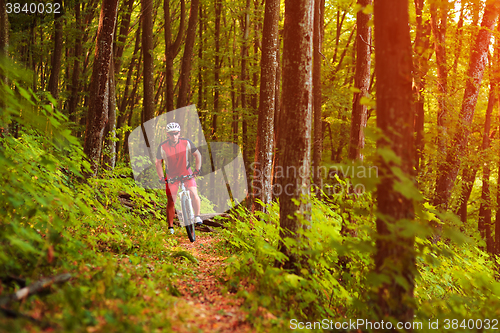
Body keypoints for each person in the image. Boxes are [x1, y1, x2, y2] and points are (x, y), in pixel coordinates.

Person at [155, 122, 203, 234]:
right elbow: (158, 163)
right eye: (171, 134)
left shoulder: (186, 142)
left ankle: (197, 216)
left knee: (194, 193)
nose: (174, 136)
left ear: (179, 133)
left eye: (176, 133)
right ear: (167, 134)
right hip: (171, 175)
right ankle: (170, 227)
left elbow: (198, 155)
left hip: (186, 172)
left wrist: (197, 170)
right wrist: (161, 177)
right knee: (171, 201)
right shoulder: (162, 146)